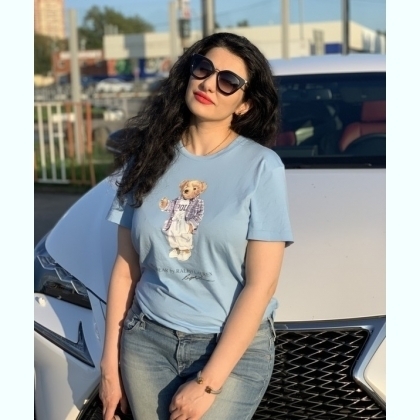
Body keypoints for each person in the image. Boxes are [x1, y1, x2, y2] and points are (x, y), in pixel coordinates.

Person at [100, 32, 293, 420]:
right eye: (203, 68)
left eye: (228, 81)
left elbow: (262, 285)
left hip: (228, 350)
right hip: (146, 340)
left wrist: (208, 383)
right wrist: (109, 366)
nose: (209, 84)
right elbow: (125, 268)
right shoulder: (147, 157)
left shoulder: (262, 168)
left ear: (244, 104)